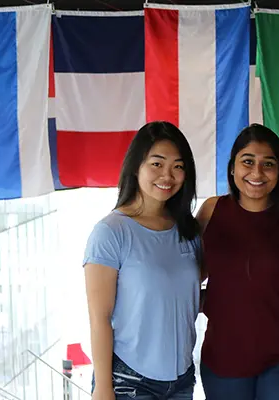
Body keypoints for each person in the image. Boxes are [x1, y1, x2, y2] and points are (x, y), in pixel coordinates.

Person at [194, 124, 279, 400]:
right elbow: (188, 276)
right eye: (247, 162)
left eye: (268, 164)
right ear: (232, 168)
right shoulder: (211, 210)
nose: (257, 173)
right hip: (223, 357)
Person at [83, 121, 202, 400]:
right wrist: (103, 389)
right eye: (157, 164)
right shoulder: (111, 232)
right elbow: (99, 318)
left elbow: (185, 298)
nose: (168, 175)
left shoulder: (188, 231)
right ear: (136, 166)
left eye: (178, 166)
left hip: (182, 379)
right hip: (129, 381)